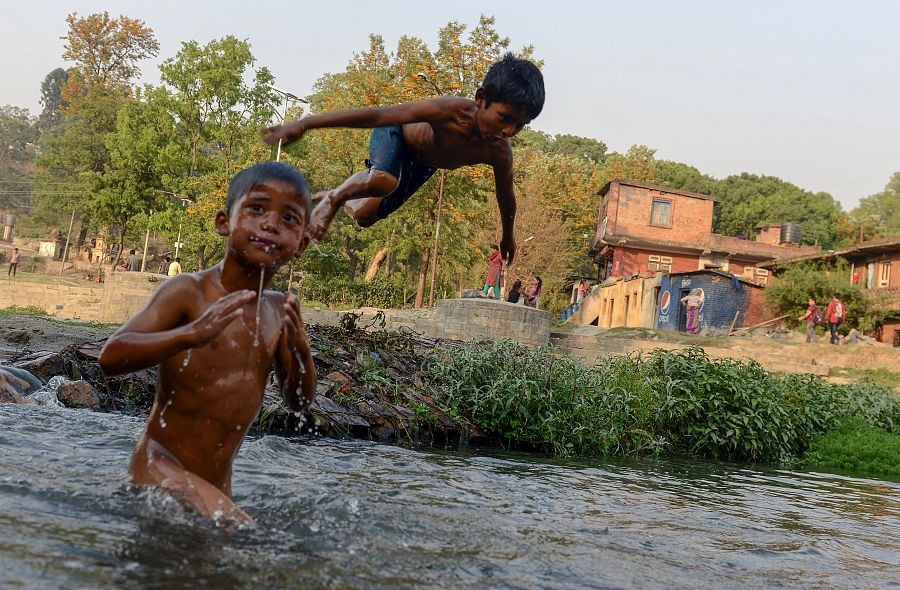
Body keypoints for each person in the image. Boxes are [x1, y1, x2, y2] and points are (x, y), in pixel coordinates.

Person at [98, 161, 317, 522]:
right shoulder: (190, 291)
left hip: (217, 487)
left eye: (289, 218)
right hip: (158, 467)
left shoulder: (279, 310)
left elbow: (298, 401)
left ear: (301, 244)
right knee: (243, 532)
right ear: (223, 222)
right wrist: (191, 333)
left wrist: (302, 351)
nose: (271, 223)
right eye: (257, 208)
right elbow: (110, 357)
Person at [263, 54, 545, 264]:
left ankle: (333, 195)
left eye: (521, 125)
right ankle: (335, 198)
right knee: (384, 181)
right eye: (504, 118)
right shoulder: (449, 111)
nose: (509, 131)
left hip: (423, 164)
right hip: (395, 133)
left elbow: (506, 196)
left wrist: (508, 236)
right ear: (481, 98)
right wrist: (306, 123)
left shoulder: (499, 152)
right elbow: (378, 116)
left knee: (363, 217)